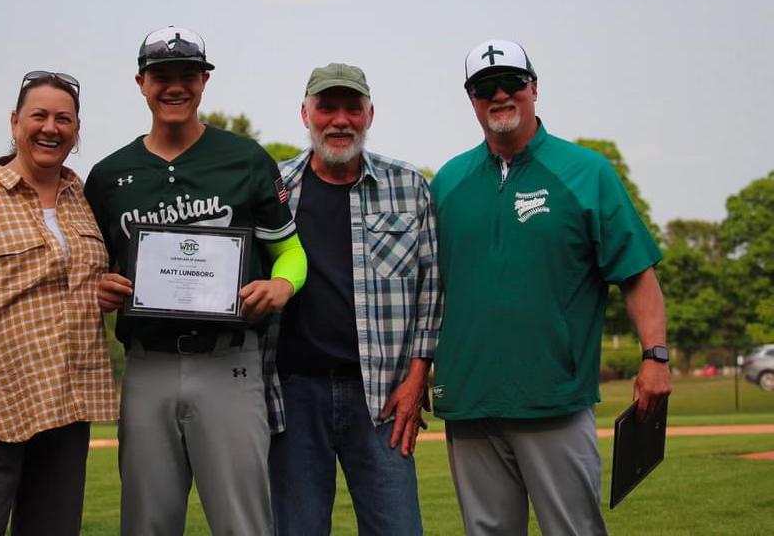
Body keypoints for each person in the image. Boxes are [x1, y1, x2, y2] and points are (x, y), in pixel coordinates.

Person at [430, 39, 673, 535]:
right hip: (469, 401)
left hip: (553, 401)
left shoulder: (586, 172)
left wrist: (655, 356)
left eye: (512, 82)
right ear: (470, 98)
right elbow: (427, 294)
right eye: (483, 87)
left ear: (534, 87)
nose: (499, 95)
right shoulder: (448, 181)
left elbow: (637, 274)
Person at [84, 25, 307, 536]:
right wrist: (98, 287)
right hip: (148, 368)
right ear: (141, 82)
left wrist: (282, 286)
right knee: (147, 523)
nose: (175, 86)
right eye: (162, 75)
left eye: (187, 74)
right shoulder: (109, 174)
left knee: (243, 524)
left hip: (229, 363)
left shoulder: (245, 158)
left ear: (205, 81)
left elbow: (290, 251)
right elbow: (90, 268)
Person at [0, 71, 118, 535]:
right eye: (39, 115)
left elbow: (70, 285)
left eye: (64, 119)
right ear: (15, 122)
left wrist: (102, 291)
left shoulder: (82, 199)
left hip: (66, 407)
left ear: (76, 132)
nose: (50, 127)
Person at [265, 63, 444, 535]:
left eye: (352, 108)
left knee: (398, 528)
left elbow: (432, 290)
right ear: (305, 113)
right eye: (327, 107)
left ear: (370, 114)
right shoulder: (274, 189)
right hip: (294, 395)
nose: (340, 120)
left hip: (383, 398)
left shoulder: (410, 188)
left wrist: (417, 377)